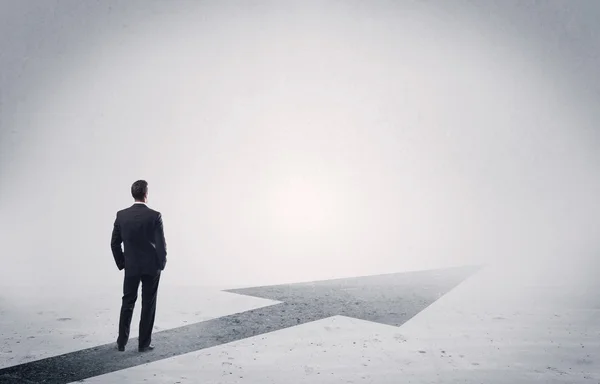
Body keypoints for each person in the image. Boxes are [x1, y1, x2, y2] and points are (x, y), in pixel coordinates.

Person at [111, 180, 167, 352]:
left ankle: (121, 342)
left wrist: (123, 263)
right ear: (146, 194)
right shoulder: (155, 215)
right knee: (148, 305)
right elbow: (161, 244)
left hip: (131, 267)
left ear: (133, 194)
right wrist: (161, 264)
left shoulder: (121, 215)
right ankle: (143, 344)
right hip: (151, 267)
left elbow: (114, 244)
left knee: (127, 302)